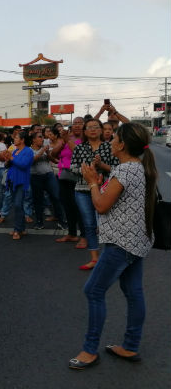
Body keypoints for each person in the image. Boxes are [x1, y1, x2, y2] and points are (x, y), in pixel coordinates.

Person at [68, 123, 157, 370]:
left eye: (114, 137)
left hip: (120, 244)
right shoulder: (136, 167)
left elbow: (101, 206)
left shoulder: (125, 170)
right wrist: (99, 181)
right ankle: (130, 346)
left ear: (122, 144)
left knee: (93, 291)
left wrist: (92, 183)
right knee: (133, 293)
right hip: (136, 240)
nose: (111, 140)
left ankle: (89, 350)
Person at [70, 119, 119, 270]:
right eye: (89, 127)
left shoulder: (109, 147)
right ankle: (94, 258)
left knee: (106, 225)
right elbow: (72, 167)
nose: (92, 130)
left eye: (96, 127)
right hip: (83, 191)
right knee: (90, 225)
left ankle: (109, 258)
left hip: (105, 190)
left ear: (101, 130)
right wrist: (87, 172)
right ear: (84, 131)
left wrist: (101, 166)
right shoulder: (79, 148)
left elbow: (117, 169)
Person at [52, 117, 85, 246]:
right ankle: (72, 233)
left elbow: (78, 153)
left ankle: (84, 236)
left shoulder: (85, 139)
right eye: (75, 123)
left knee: (80, 207)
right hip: (64, 175)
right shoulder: (66, 139)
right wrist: (62, 142)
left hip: (79, 177)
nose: (77, 125)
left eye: (80, 123)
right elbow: (54, 154)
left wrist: (66, 140)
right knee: (68, 206)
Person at [29, 132, 66, 230]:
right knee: (38, 200)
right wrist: (42, 151)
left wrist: (48, 153)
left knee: (56, 197)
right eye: (40, 137)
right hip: (35, 177)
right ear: (33, 139)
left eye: (42, 137)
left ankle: (61, 221)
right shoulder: (29, 150)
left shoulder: (45, 148)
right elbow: (31, 161)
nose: (42, 139)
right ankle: (39, 222)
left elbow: (53, 160)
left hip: (49, 175)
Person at [3, 131, 34, 240]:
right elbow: (9, 166)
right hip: (12, 181)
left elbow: (23, 165)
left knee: (17, 205)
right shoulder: (15, 150)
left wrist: (11, 158)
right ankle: (21, 228)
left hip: (21, 181)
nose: (14, 139)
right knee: (18, 205)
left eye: (16, 138)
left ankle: (17, 229)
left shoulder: (28, 151)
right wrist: (7, 160)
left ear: (22, 140)